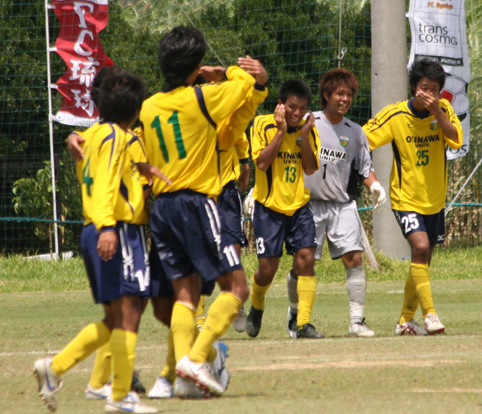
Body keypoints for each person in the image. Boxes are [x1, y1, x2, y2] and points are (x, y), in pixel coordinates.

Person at [140, 26, 266, 397]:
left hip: (161, 208)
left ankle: (175, 376)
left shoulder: (148, 107)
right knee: (237, 287)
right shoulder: (203, 99)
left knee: (185, 295)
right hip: (196, 203)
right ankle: (196, 358)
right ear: (195, 66)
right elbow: (244, 83)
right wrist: (221, 71)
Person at [33, 67, 167, 413]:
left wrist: (143, 170)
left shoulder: (91, 135)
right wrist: (110, 226)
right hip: (117, 229)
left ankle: (59, 370)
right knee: (128, 315)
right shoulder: (117, 137)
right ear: (136, 110)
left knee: (115, 317)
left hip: (96, 227)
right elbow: (108, 181)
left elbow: (114, 172)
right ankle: (120, 396)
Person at [363, 58, 463, 335]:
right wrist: (369, 179)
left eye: (433, 89)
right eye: (423, 87)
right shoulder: (395, 115)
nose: (427, 93)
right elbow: (363, 139)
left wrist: (438, 113)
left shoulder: (443, 110)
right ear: (412, 87)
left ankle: (405, 321)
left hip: (434, 200)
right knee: (419, 247)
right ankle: (430, 315)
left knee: (423, 259)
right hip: (405, 198)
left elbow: (456, 138)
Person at [285, 68, 386, 339]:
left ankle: (356, 322)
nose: (346, 99)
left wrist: (375, 186)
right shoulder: (309, 121)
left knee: (354, 258)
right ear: (327, 95)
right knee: (302, 264)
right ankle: (295, 315)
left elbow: (365, 169)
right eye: (340, 93)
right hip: (308, 204)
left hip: (342, 205)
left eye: (350, 94)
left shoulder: (355, 132)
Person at [246, 79, 323, 339]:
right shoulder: (262, 124)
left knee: (306, 260)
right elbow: (263, 164)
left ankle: (303, 324)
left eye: (302, 108)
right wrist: (280, 132)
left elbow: (311, 168)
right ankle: (256, 306)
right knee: (267, 269)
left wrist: (302, 136)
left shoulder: (308, 130)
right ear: (280, 105)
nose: (297, 113)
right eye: (292, 106)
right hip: (269, 208)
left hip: (299, 206)